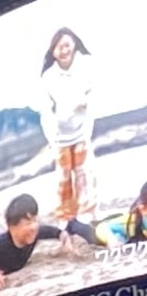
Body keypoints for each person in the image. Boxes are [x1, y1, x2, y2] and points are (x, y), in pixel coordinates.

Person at [0, 193, 84, 289]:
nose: (33, 227)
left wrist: (65, 238)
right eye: (27, 223)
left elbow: (54, 232)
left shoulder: (34, 234)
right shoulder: (0, 245)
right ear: (12, 227)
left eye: (35, 220)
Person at [39, 27, 100, 240]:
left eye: (67, 45)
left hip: (82, 133)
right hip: (60, 138)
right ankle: (66, 221)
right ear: (52, 51)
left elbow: (91, 100)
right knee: (63, 180)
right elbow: (45, 112)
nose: (64, 50)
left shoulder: (85, 66)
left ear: (74, 44)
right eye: (59, 46)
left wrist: (87, 132)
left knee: (85, 174)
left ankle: (90, 215)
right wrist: (52, 139)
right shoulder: (48, 77)